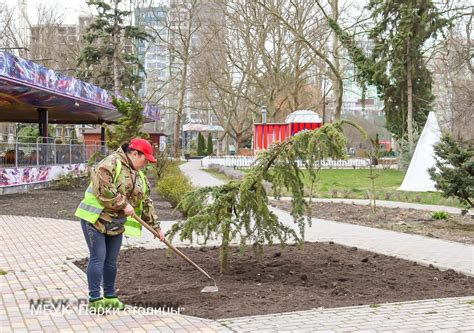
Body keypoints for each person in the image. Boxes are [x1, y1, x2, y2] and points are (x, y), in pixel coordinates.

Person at [75, 138, 164, 311]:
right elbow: (103, 189)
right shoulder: (110, 164)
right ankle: (95, 299)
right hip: (95, 219)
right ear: (134, 153)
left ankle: (110, 296)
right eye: (144, 159)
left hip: (115, 223)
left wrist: (157, 227)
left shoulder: (140, 177)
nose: (146, 164)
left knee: (111, 262)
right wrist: (123, 204)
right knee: (98, 258)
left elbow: (146, 202)